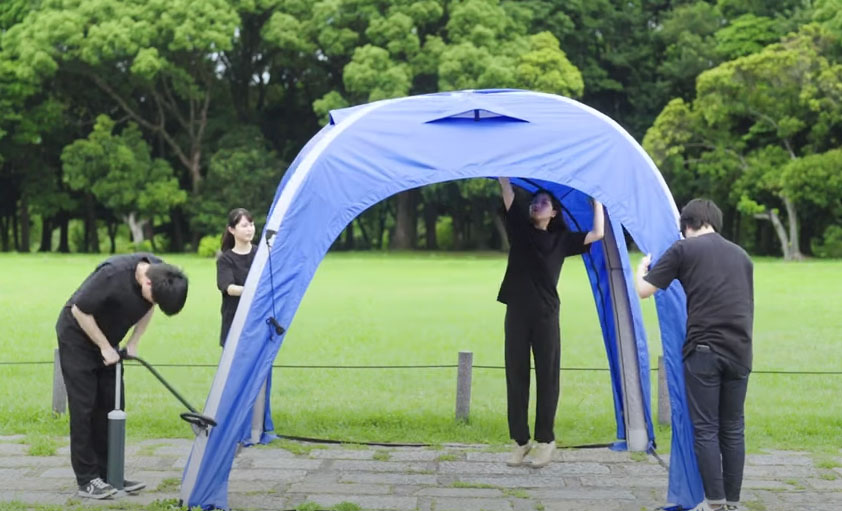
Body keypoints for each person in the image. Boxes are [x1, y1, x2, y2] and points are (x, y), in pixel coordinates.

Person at [635, 198, 753, 511]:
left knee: (706, 429)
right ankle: (733, 503)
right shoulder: (742, 256)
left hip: (704, 351)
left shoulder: (683, 249)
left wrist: (641, 269)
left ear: (687, 225)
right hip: (741, 351)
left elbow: (644, 291)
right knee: (733, 428)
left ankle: (713, 504)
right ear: (714, 222)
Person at [55, 253, 188, 499]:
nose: (153, 304)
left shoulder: (160, 274)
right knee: (84, 408)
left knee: (111, 405)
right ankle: (87, 480)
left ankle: (110, 474)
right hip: (77, 337)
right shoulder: (112, 274)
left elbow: (149, 307)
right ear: (146, 283)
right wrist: (104, 346)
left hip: (110, 340)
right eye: (154, 299)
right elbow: (79, 310)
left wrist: (134, 341)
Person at [496, 177, 604, 468]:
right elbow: (507, 193)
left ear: (554, 212)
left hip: (546, 315)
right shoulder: (519, 229)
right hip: (517, 312)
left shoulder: (561, 240)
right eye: (534, 201)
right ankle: (520, 441)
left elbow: (597, 233)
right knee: (515, 375)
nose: (536, 205)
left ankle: (546, 440)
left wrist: (598, 202)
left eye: (543, 202)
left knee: (548, 377)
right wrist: (503, 176)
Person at [216, 208, 257, 347]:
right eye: (244, 226)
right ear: (232, 230)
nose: (250, 229)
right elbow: (229, 288)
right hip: (234, 319)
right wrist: (252, 291)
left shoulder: (261, 255)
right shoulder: (225, 259)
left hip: (258, 316)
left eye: (251, 225)